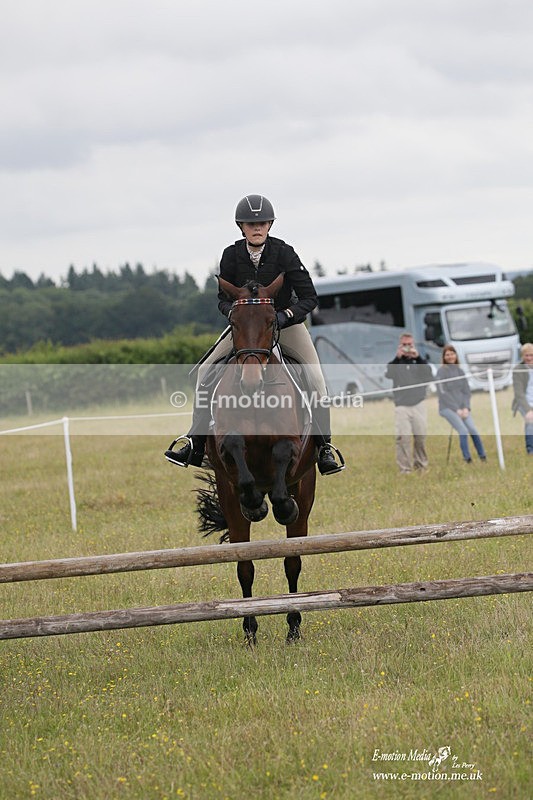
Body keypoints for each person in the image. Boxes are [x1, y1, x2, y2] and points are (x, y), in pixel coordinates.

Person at [165, 194, 345, 475]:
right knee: (205, 372)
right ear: (241, 227)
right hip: (246, 329)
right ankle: (195, 442)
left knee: (315, 377)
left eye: (261, 222)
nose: (257, 228)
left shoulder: (285, 253)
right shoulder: (230, 255)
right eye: (251, 224)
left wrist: (285, 316)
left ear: (270, 224)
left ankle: (324, 447)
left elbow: (309, 297)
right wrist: (237, 315)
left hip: (285, 325)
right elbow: (222, 300)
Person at [385, 332, 433, 474]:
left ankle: (421, 466)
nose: (407, 348)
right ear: (400, 345)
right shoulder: (396, 363)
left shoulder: (418, 361)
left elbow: (428, 375)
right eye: (404, 345)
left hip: (418, 404)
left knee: (420, 437)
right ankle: (405, 469)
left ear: (413, 345)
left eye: (409, 345)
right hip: (401, 406)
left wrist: (418, 357)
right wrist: (397, 357)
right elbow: (389, 373)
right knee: (403, 438)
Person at [436, 345, 487, 463]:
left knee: (473, 430)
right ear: (444, 357)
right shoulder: (441, 372)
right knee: (463, 430)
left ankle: (483, 456)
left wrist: (466, 408)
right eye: (447, 354)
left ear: (456, 355)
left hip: (462, 408)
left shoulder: (460, 371)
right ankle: (467, 459)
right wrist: (456, 409)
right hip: (447, 408)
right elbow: (443, 393)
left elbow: (466, 392)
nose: (450, 356)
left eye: (452, 354)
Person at [512, 342, 533, 455]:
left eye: (531, 355)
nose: (529, 358)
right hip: (523, 402)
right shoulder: (518, 370)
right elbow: (519, 393)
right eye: (527, 355)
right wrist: (529, 409)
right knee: (531, 420)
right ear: (522, 356)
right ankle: (530, 450)